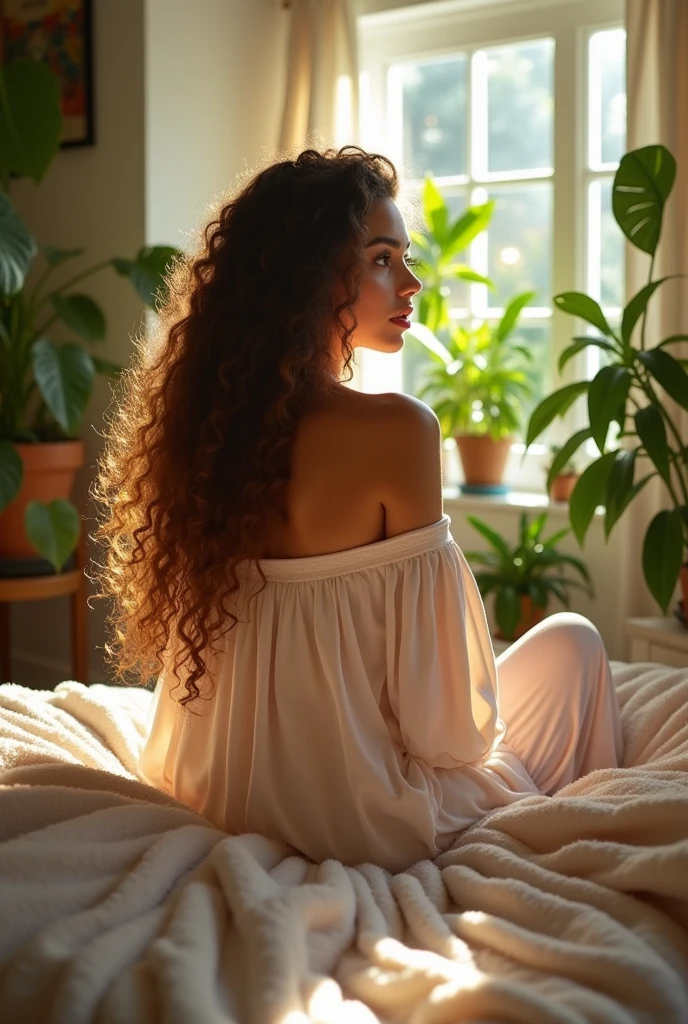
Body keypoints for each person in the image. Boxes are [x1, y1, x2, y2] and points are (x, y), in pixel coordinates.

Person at [91, 146, 624, 874]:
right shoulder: (399, 432)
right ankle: (582, 855)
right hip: (360, 817)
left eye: (403, 257)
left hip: (216, 791)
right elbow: (448, 734)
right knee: (575, 643)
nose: (410, 282)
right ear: (306, 278)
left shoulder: (207, 442)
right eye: (380, 259)